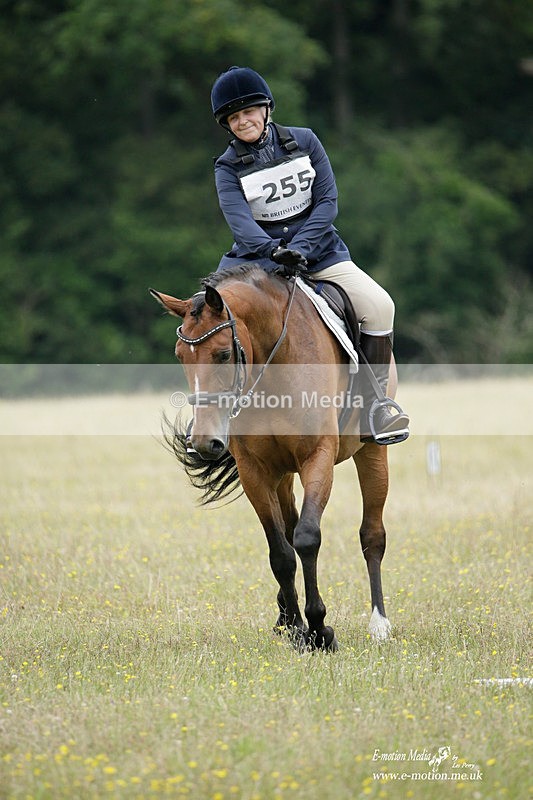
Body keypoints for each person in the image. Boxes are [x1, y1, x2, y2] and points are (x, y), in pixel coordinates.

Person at [210, 66, 409, 443]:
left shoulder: (305, 142)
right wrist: (275, 251)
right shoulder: (226, 167)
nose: (242, 121)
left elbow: (327, 202)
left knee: (381, 305)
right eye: (233, 117)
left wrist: (300, 248)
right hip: (259, 262)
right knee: (207, 317)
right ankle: (209, 421)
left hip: (321, 254)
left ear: (267, 109)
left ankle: (375, 408)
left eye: (248, 111)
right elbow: (241, 225)